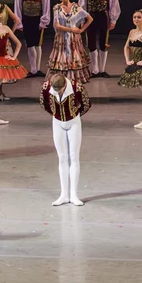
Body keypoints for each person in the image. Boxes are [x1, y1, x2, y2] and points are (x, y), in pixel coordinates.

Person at [39, 73, 90, 206]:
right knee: (62, 157)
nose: (57, 92)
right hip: (57, 122)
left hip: (74, 122)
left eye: (59, 90)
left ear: (64, 85)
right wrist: (56, 115)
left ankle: (74, 194)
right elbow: (43, 104)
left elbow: (86, 104)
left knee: (74, 156)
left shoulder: (76, 87)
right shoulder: (46, 87)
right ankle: (64, 194)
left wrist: (74, 115)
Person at [79, 0, 121, 78]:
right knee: (91, 41)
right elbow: (82, 3)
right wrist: (82, 19)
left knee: (104, 41)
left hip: (103, 15)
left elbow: (113, 2)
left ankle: (102, 69)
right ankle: (95, 69)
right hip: (90, 15)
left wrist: (113, 19)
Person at [47, 0, 93, 84]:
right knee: (62, 57)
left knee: (74, 56)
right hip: (62, 37)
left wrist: (81, 30)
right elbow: (57, 26)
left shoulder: (76, 7)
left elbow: (89, 18)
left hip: (74, 39)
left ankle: (74, 79)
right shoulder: (57, 8)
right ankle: (60, 79)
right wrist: (71, 29)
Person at [14, 0, 51, 77]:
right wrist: (18, 21)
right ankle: (33, 69)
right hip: (26, 18)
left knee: (38, 44)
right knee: (29, 44)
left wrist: (44, 20)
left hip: (38, 18)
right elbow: (17, 5)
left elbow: (46, 4)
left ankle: (38, 68)